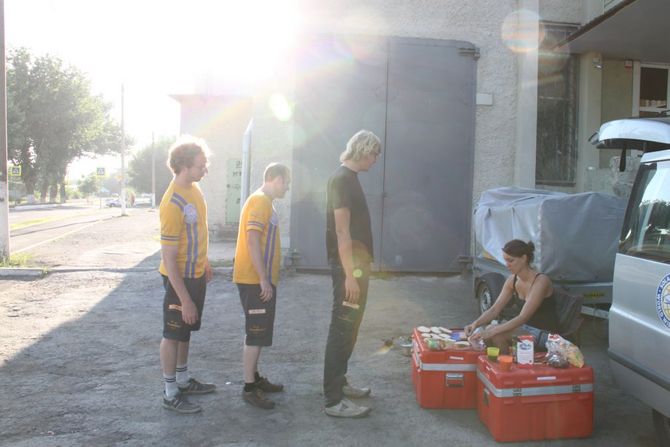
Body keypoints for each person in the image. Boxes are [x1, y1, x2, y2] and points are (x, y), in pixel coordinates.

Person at [323, 130, 382, 418]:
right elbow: (342, 231)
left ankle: (340, 382)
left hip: (357, 266)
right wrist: (349, 275)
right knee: (342, 328)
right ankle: (333, 401)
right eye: (374, 155)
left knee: (351, 327)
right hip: (348, 268)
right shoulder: (341, 180)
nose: (375, 161)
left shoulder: (350, 179)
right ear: (363, 151)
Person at [158, 136, 216, 414]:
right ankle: (170, 392)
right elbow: (169, 259)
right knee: (172, 333)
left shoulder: (194, 190)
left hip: (195, 274)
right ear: (183, 166)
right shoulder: (172, 203)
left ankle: (182, 379)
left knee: (186, 331)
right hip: (177, 278)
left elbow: (197, 233)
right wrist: (186, 299)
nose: (205, 170)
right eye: (201, 165)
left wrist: (204, 262)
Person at [233, 163, 291, 409]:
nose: (287, 188)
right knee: (255, 333)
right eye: (286, 183)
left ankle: (254, 378)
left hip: (257, 280)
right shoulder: (260, 202)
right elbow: (253, 239)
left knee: (258, 332)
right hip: (254, 280)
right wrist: (263, 278)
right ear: (276, 179)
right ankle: (249, 387)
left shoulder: (265, 202)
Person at [465, 239, 560, 354]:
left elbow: (523, 317)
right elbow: (495, 309)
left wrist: (493, 331)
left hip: (546, 335)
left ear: (524, 258)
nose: (507, 265)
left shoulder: (540, 281)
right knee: (490, 329)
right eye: (506, 260)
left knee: (496, 334)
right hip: (526, 329)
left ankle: (507, 366)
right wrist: (475, 323)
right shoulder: (512, 280)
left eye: (511, 261)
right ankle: (498, 365)